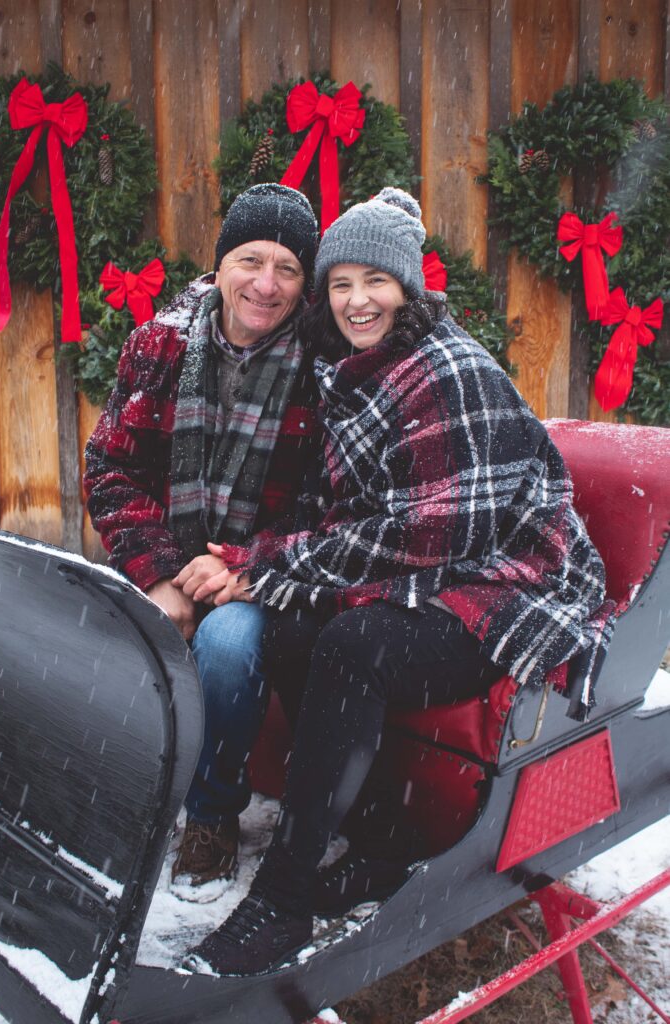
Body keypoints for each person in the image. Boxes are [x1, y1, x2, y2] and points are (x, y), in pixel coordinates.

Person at [182, 187, 614, 974]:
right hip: (431, 571)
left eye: (374, 283)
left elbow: (429, 533)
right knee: (287, 625)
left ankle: (282, 898)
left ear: (408, 289)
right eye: (340, 282)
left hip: (505, 583)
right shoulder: (353, 371)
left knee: (351, 641)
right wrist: (259, 563)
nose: (355, 301)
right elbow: (338, 511)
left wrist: (266, 566)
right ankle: (383, 841)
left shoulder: (447, 370)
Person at [83, 183, 320, 889]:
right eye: (250, 260)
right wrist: (160, 572)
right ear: (220, 265)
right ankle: (125, 796)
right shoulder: (160, 343)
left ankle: (212, 813)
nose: (266, 284)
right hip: (171, 555)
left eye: (288, 268)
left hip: (266, 572)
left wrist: (247, 569)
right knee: (126, 632)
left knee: (227, 643)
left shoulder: (323, 364)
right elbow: (110, 466)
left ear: (306, 284)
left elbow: (330, 501)